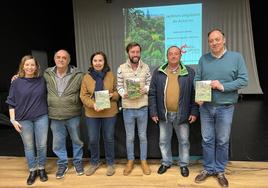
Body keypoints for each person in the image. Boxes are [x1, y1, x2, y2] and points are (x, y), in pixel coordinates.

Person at [194, 29, 248, 188]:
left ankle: (220, 170)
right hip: (206, 108)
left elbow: (243, 80)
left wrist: (223, 86)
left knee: (222, 140)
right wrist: (198, 94)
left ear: (224, 40)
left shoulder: (236, 57)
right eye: (211, 41)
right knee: (207, 139)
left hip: (225, 107)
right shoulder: (203, 59)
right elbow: (197, 79)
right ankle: (208, 168)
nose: (214, 43)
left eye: (217, 39)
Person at [148, 46, 198, 177]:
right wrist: (153, 112)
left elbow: (194, 94)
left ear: (181, 55)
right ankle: (166, 162)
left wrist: (194, 112)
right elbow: (152, 93)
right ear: (167, 56)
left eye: (176, 53)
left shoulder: (189, 72)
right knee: (163, 140)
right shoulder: (158, 72)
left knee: (184, 141)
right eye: (171, 54)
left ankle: (183, 164)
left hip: (183, 114)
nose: (173, 56)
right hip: (163, 113)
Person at [6, 55, 49, 185]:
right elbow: (11, 102)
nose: (30, 67)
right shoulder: (16, 82)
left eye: (32, 65)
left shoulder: (42, 80)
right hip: (23, 119)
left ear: (36, 67)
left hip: (41, 117)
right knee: (29, 147)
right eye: (27, 64)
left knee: (42, 145)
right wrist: (13, 120)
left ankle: (41, 168)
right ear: (22, 66)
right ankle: (32, 170)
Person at [43, 49, 84, 179]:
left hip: (73, 114)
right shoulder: (47, 74)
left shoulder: (78, 75)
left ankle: (78, 162)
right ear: (54, 59)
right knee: (58, 143)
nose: (61, 60)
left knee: (77, 140)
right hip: (55, 116)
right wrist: (18, 77)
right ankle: (62, 164)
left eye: (64, 58)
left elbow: (87, 89)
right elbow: (33, 80)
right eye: (58, 57)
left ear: (68, 60)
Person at [80, 51, 119, 176]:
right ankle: (94, 162)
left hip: (109, 113)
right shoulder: (86, 77)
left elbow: (119, 92)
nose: (98, 63)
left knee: (109, 138)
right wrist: (93, 104)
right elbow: (83, 96)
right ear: (92, 62)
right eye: (95, 60)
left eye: (100, 60)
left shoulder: (111, 75)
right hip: (92, 113)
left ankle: (110, 163)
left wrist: (113, 95)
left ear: (104, 62)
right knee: (93, 139)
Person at [117, 42, 151, 175]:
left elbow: (149, 83)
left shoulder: (146, 67)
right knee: (130, 137)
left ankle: (143, 161)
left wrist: (145, 89)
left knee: (143, 137)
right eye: (133, 52)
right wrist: (122, 93)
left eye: (137, 52)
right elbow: (118, 86)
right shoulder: (121, 68)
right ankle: (130, 161)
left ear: (140, 53)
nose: (135, 54)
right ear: (128, 53)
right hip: (128, 108)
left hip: (142, 107)